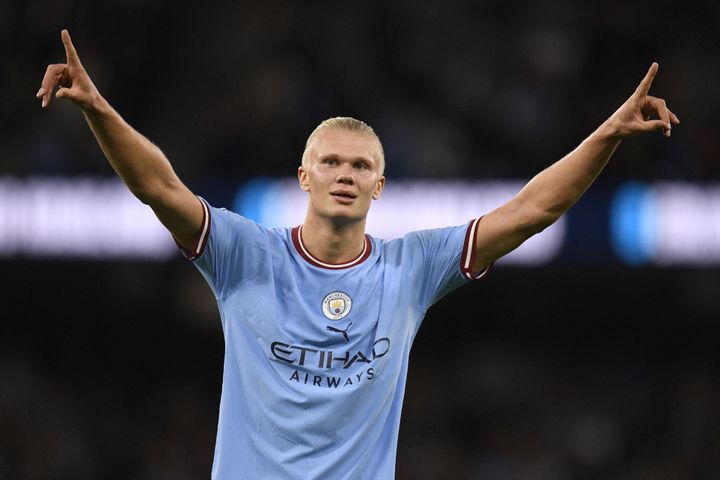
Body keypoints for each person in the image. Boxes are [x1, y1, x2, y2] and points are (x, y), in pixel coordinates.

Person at [37, 29, 679, 479]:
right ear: (304, 177)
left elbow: (531, 211)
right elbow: (159, 187)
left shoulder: (410, 269)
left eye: (361, 165)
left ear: (379, 185)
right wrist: (97, 109)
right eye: (331, 162)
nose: (345, 173)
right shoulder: (242, 253)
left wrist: (608, 134)